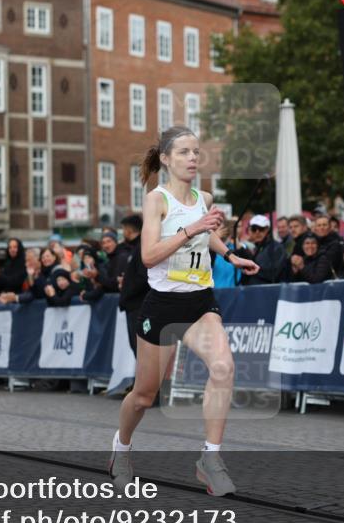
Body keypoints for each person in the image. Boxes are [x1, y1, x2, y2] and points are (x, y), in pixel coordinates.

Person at [110, 126, 259, 497]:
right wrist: (193, 228)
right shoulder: (156, 200)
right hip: (162, 304)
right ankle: (122, 448)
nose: (193, 158)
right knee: (144, 396)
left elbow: (207, 234)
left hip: (199, 300)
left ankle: (210, 459)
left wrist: (229, 254)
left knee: (224, 367)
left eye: (196, 152)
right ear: (165, 158)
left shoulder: (203, 197)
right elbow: (148, 256)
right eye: (184, 152)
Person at [117, 214, 148, 355]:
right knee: (136, 347)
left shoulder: (142, 246)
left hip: (139, 305)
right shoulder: (136, 247)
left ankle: (148, 377)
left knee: (140, 347)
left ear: (129, 229)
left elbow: (143, 276)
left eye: (123, 228)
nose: (123, 232)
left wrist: (128, 291)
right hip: (134, 305)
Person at [237, 214, 286, 286]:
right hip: (251, 291)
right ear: (249, 230)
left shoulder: (277, 248)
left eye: (261, 229)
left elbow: (272, 274)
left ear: (268, 230)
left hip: (268, 292)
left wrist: (245, 254)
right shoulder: (256, 248)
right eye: (254, 228)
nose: (257, 232)